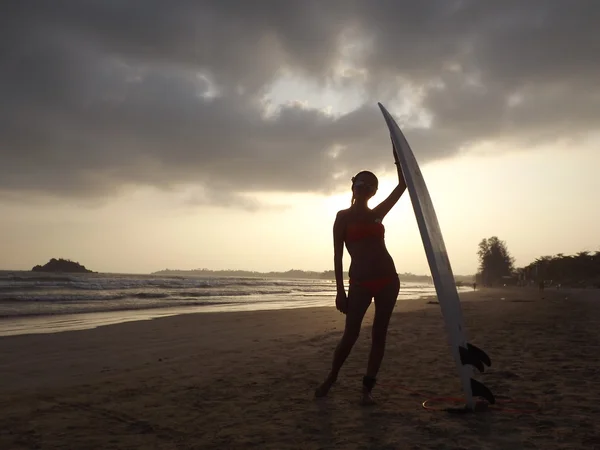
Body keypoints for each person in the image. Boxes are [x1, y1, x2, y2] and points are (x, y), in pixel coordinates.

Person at [315, 141, 407, 405]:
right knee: (351, 333)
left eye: (370, 186)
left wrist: (398, 158)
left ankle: (367, 388)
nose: (365, 189)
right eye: (361, 184)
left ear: (374, 192)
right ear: (353, 186)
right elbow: (337, 255)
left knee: (380, 333)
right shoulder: (342, 217)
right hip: (360, 283)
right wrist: (340, 292)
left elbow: (402, 186)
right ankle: (332, 377)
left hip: (388, 280)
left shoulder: (378, 214)